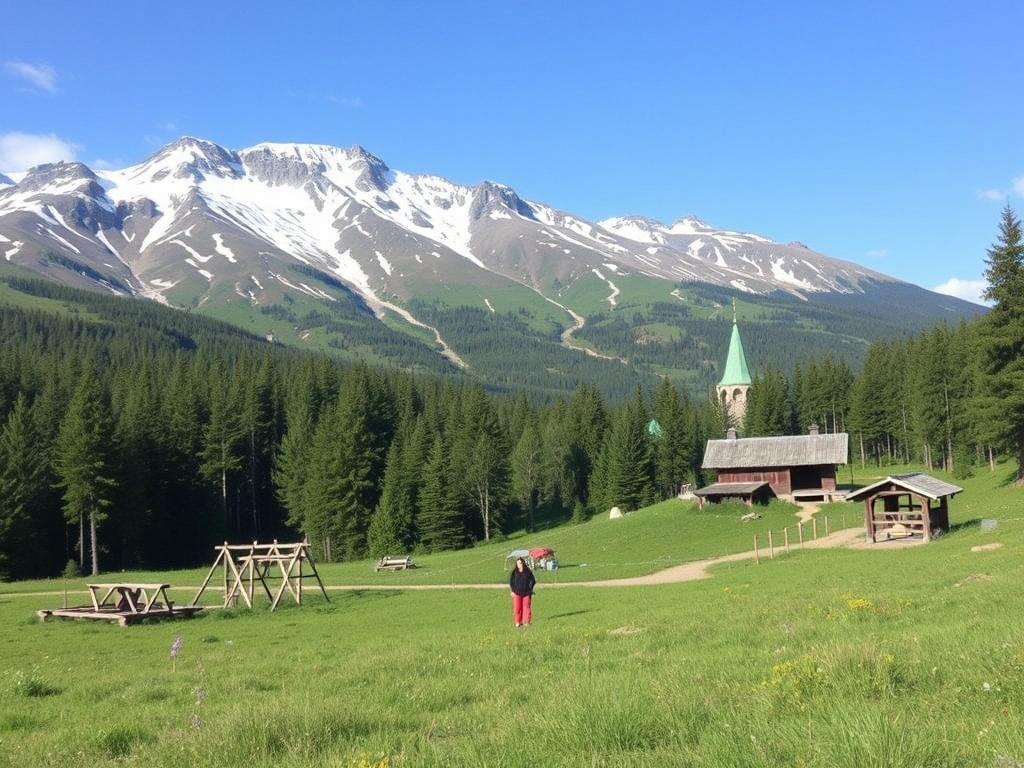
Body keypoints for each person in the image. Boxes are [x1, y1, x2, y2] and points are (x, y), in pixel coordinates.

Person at [509, 556, 536, 627]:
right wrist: (512, 591)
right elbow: (511, 582)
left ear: (523, 563)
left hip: (526, 593)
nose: (519, 565)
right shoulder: (514, 572)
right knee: (517, 608)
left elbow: (533, 581)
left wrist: (530, 589)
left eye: (520, 563)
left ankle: (527, 622)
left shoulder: (528, 572)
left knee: (526, 608)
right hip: (517, 593)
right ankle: (518, 622)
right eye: (518, 563)